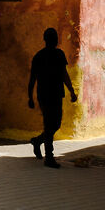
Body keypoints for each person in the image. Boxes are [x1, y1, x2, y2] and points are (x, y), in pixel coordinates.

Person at [28, 28, 78, 168]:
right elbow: (33, 78)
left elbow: (64, 74)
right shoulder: (39, 57)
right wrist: (30, 97)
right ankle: (49, 157)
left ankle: (38, 141)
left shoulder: (59, 55)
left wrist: (71, 91)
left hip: (56, 94)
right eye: (53, 37)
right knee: (50, 125)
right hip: (45, 95)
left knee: (55, 125)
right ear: (48, 39)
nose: (55, 40)